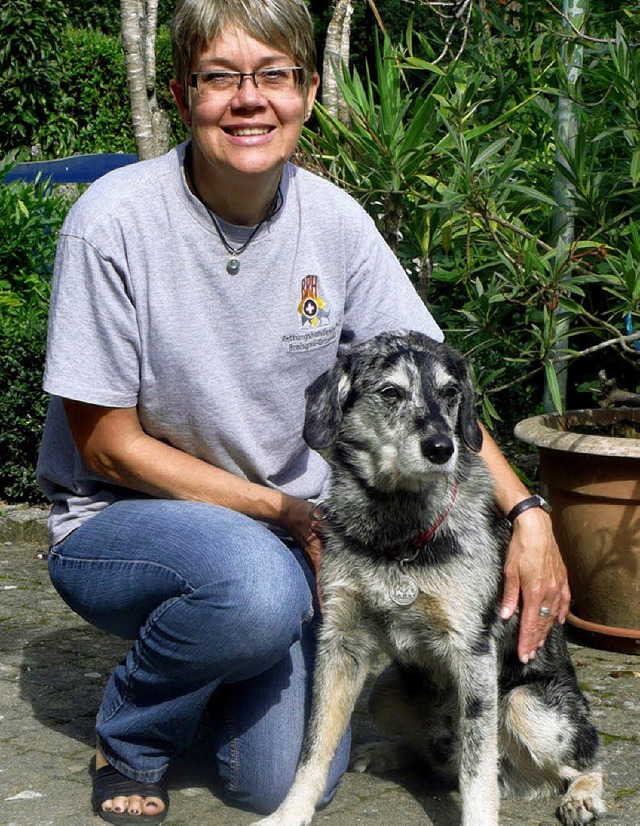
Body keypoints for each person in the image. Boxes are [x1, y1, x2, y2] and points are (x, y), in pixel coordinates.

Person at [36, 0, 570, 822]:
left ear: (309, 91)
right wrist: (283, 513)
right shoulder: (112, 222)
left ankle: (215, 656)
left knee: (273, 780)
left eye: (274, 76)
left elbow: (434, 382)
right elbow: (105, 446)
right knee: (253, 592)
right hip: (126, 521)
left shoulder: (333, 220)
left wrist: (526, 510)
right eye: (220, 78)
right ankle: (133, 733)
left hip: (279, 542)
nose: (250, 99)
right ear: (182, 95)